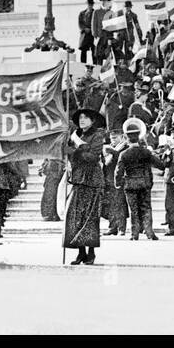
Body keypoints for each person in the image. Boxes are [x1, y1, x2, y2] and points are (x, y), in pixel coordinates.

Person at [64, 107, 107, 265]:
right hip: (78, 179)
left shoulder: (97, 135)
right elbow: (70, 154)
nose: (82, 120)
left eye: (85, 118)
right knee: (77, 217)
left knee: (90, 217)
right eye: (80, 118)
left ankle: (91, 252)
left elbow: (93, 157)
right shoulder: (75, 135)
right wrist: (70, 152)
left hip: (92, 180)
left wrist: (77, 151)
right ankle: (80, 252)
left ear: (92, 120)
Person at [115, 118, 163, 241]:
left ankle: (134, 234)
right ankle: (149, 233)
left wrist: (117, 183)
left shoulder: (124, 154)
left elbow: (118, 171)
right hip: (144, 182)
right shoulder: (146, 152)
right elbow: (160, 165)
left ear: (127, 138)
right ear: (139, 137)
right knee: (146, 207)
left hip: (130, 184)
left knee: (133, 209)